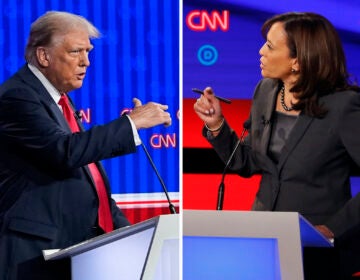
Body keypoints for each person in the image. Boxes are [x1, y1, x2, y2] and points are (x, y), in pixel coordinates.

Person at [0, 11, 172, 280]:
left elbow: (89, 182)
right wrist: (131, 124)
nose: (86, 62)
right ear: (44, 56)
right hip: (33, 257)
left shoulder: (60, 99)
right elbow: (64, 152)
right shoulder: (18, 96)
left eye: (88, 52)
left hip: (72, 251)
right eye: (75, 52)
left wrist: (129, 236)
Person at [194, 12, 360, 279]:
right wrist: (216, 125)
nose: (260, 51)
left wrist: (333, 228)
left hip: (318, 249)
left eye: (270, 46)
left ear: (297, 60)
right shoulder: (266, 91)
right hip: (265, 242)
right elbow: (246, 163)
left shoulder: (344, 106)